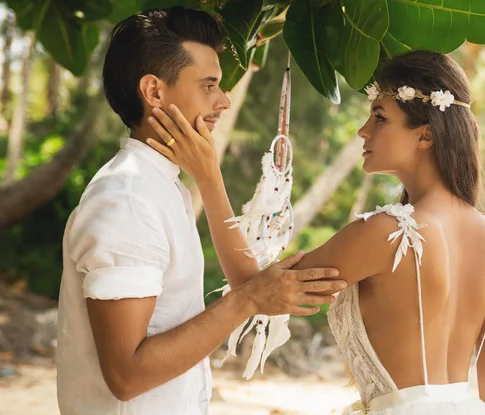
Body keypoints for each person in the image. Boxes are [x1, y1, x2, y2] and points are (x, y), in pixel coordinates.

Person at [150, 50, 485, 415]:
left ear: (425, 136)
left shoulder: (388, 234)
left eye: (379, 117)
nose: (363, 130)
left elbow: (255, 290)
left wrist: (209, 176)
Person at [55, 7, 346, 415]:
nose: (224, 101)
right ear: (154, 91)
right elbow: (126, 376)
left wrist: (210, 178)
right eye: (209, 85)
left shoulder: (161, 187)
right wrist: (245, 301)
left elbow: (249, 281)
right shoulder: (127, 200)